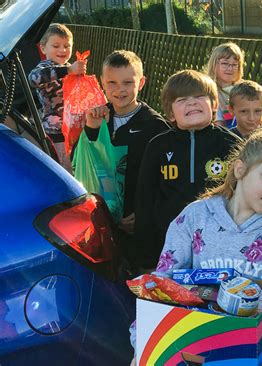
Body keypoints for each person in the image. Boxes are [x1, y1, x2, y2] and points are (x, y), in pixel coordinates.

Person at [148, 128, 262, 365]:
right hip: (191, 353)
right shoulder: (194, 218)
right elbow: (164, 282)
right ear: (240, 169)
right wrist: (143, 337)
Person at [134, 70, 241, 271]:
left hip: (219, 245)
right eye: (182, 99)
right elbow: (144, 201)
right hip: (167, 243)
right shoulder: (158, 146)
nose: (192, 103)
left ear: (214, 105)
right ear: (170, 113)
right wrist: (145, 258)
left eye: (200, 97)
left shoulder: (232, 145)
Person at [81, 50, 170, 269]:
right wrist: (91, 130)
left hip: (139, 225)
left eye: (128, 82)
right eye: (112, 82)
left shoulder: (155, 126)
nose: (120, 90)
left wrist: (144, 214)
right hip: (104, 221)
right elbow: (85, 161)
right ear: (102, 82)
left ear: (141, 83)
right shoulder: (98, 118)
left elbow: (165, 180)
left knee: (138, 274)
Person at [28, 23, 87, 171]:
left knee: (78, 165)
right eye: (56, 46)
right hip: (56, 131)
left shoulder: (71, 68)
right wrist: (68, 70)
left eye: (67, 46)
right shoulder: (44, 67)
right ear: (43, 48)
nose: (62, 50)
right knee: (64, 167)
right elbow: (33, 78)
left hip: (76, 128)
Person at [206, 42, 244, 128]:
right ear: (214, 64)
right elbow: (219, 125)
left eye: (234, 64)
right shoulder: (209, 92)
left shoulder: (244, 88)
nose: (230, 68)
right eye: (225, 63)